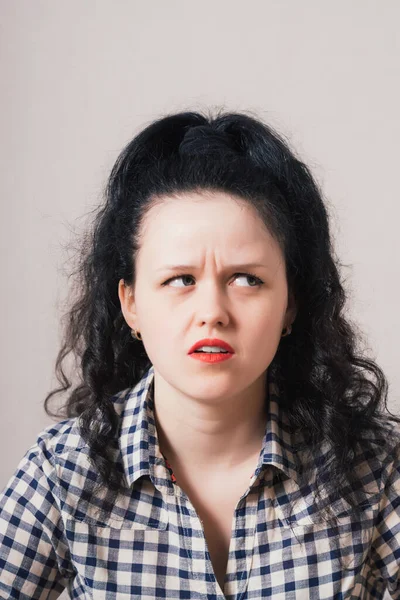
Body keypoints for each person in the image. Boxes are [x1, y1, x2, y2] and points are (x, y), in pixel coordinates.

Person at [1, 108, 400, 600]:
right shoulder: (62, 472)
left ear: (290, 304)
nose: (212, 312)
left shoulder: (374, 469)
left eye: (246, 279)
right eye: (180, 280)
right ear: (131, 304)